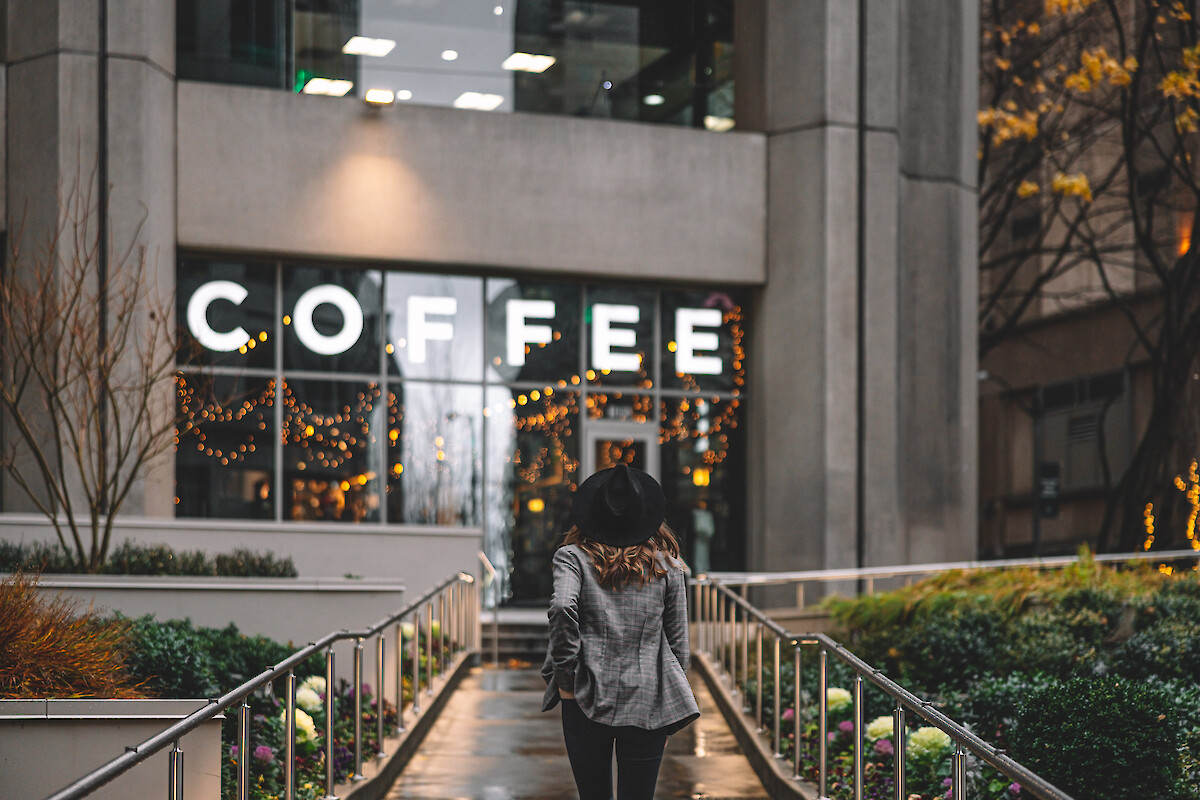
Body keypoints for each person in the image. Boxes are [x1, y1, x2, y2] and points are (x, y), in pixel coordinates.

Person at [541, 463, 700, 800]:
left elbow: (561, 608)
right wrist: (669, 700)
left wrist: (567, 679)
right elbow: (678, 644)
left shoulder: (572, 558)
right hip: (648, 696)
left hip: (584, 695)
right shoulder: (668, 566)